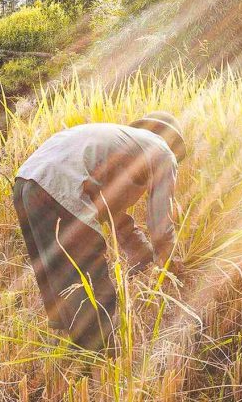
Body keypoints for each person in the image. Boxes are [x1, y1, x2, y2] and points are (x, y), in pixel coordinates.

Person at [11, 111, 186, 352]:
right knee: (93, 282)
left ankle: (75, 348)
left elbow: (112, 215)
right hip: (59, 185)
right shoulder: (163, 151)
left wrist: (143, 257)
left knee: (56, 270)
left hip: (25, 183)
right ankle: (101, 355)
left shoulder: (117, 144)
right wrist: (168, 261)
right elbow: (161, 224)